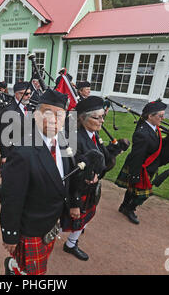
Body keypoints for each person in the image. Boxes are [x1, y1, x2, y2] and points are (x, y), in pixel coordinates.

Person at [0, 89, 74, 275]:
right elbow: (12, 197)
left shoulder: (64, 143)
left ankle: (14, 266)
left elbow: (65, 181)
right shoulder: (23, 151)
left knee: (32, 267)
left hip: (51, 221)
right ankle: (14, 267)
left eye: (59, 115)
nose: (54, 120)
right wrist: (10, 234)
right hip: (31, 227)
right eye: (47, 113)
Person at [60, 96, 129, 261]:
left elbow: (101, 157)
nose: (102, 121)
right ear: (82, 118)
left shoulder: (93, 134)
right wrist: (75, 204)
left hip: (90, 188)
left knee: (84, 219)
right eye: (97, 117)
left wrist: (115, 149)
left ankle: (71, 244)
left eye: (103, 116)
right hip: (77, 189)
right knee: (68, 220)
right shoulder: (73, 139)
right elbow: (73, 171)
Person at [114, 100, 167, 224]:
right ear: (150, 116)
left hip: (148, 165)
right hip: (140, 166)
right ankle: (129, 208)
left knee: (132, 190)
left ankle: (124, 206)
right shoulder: (142, 133)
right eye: (160, 115)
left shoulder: (153, 128)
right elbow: (138, 156)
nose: (163, 118)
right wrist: (135, 175)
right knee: (141, 193)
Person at [0, 82, 32, 168]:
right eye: (26, 94)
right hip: (13, 151)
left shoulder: (28, 107)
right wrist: (4, 155)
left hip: (26, 149)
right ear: (17, 94)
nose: (29, 96)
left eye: (30, 93)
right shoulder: (8, 110)